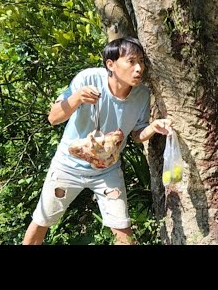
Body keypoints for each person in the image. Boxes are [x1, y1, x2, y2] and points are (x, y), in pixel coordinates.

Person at [22, 36, 173, 245]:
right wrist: (77, 98)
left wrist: (153, 127)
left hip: (107, 171)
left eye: (142, 61)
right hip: (68, 167)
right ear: (110, 64)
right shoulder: (88, 79)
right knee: (42, 221)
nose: (139, 68)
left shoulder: (142, 95)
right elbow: (53, 118)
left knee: (123, 231)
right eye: (131, 61)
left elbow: (137, 135)